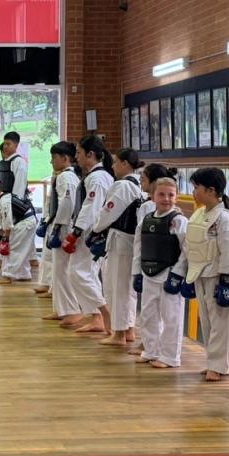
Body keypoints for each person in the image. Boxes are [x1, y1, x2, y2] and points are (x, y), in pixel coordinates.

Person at [182, 168, 229, 381]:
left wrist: (226, 280)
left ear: (211, 190)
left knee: (221, 321)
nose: (193, 192)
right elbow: (190, 245)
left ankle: (219, 365)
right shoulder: (199, 213)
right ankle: (218, 361)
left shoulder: (224, 218)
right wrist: (186, 272)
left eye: (196, 187)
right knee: (206, 320)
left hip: (217, 275)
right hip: (200, 273)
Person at [60, 135, 114, 334]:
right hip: (89, 231)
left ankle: (103, 310)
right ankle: (96, 316)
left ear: (90, 155)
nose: (77, 157)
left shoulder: (98, 178)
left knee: (78, 273)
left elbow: (91, 208)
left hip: (90, 233)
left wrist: (75, 233)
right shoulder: (95, 176)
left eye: (79, 153)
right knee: (85, 273)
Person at [132, 176, 188, 368]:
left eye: (171, 195)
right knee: (148, 315)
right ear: (152, 196)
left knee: (172, 316)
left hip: (169, 274)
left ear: (177, 197)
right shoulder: (146, 220)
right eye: (161, 194)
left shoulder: (179, 221)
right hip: (148, 274)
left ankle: (170, 356)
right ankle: (150, 350)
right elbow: (138, 249)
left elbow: (186, 250)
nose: (166, 199)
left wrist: (178, 274)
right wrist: (136, 273)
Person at [92, 148, 144, 346]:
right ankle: (128, 329)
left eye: (115, 162)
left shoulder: (123, 185)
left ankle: (119, 333)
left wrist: (96, 228)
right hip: (129, 240)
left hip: (121, 239)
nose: (112, 166)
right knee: (125, 288)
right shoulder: (137, 183)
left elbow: (108, 212)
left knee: (117, 287)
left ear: (125, 163)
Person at [126, 162, 176, 356]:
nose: (141, 182)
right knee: (149, 311)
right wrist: (137, 270)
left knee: (167, 313)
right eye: (162, 195)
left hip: (166, 266)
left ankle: (165, 351)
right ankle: (150, 346)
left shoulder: (175, 218)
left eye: (144, 179)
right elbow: (141, 238)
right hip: (148, 264)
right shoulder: (147, 208)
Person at [41, 141, 81, 321]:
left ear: (65, 158)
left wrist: (58, 227)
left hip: (64, 226)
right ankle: (61, 308)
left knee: (62, 269)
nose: (51, 162)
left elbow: (68, 203)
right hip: (58, 224)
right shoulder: (63, 176)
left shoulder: (67, 177)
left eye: (54, 158)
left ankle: (70, 310)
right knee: (58, 270)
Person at [0, 132, 30, 269]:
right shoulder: (3, 163)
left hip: (12, 203)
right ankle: (31, 259)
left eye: (8, 144)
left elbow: (19, 187)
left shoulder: (19, 162)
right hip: (2, 201)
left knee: (10, 233)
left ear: (16, 145)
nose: (5, 146)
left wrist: (14, 205)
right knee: (3, 230)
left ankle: (10, 262)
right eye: (4, 143)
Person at [0, 178, 36, 284]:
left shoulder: (4, 200)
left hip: (24, 223)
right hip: (28, 221)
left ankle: (7, 276)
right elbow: (3, 218)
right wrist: (1, 232)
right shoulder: (2, 198)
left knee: (12, 249)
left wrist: (6, 236)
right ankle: (24, 274)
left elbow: (7, 218)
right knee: (22, 249)